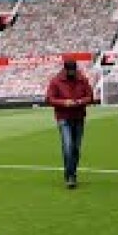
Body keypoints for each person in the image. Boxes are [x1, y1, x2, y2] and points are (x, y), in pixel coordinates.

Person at [45, 59, 94, 189]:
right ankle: (70, 176)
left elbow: (90, 97)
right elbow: (49, 99)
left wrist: (78, 102)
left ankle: (73, 173)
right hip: (63, 118)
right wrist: (64, 102)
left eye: (74, 70)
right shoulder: (56, 81)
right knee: (67, 146)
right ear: (65, 70)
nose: (72, 73)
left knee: (76, 148)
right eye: (70, 71)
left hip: (78, 117)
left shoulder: (82, 79)